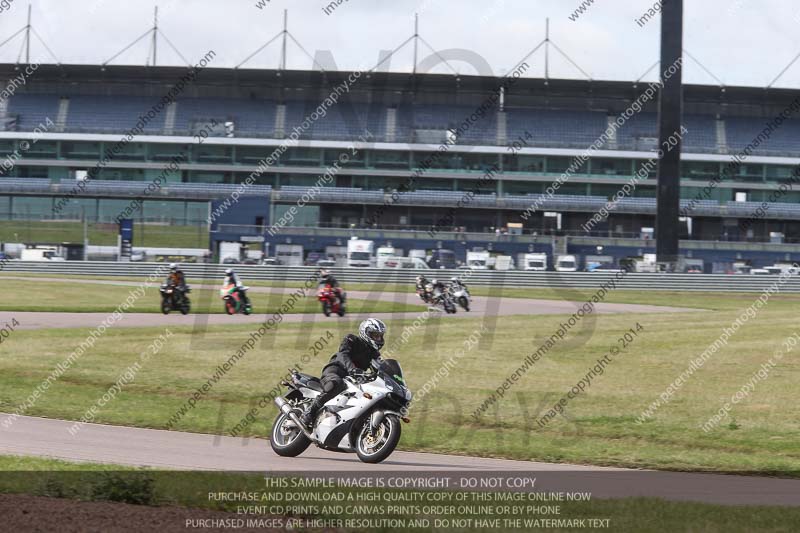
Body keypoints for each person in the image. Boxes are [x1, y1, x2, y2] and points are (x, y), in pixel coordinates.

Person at [301, 318, 386, 428]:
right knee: (336, 383)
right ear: (366, 332)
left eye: (379, 336)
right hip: (336, 370)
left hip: (353, 379)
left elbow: (380, 368)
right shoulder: (352, 339)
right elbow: (343, 354)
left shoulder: (374, 354)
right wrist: (352, 368)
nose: (378, 338)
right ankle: (309, 413)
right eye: (375, 335)